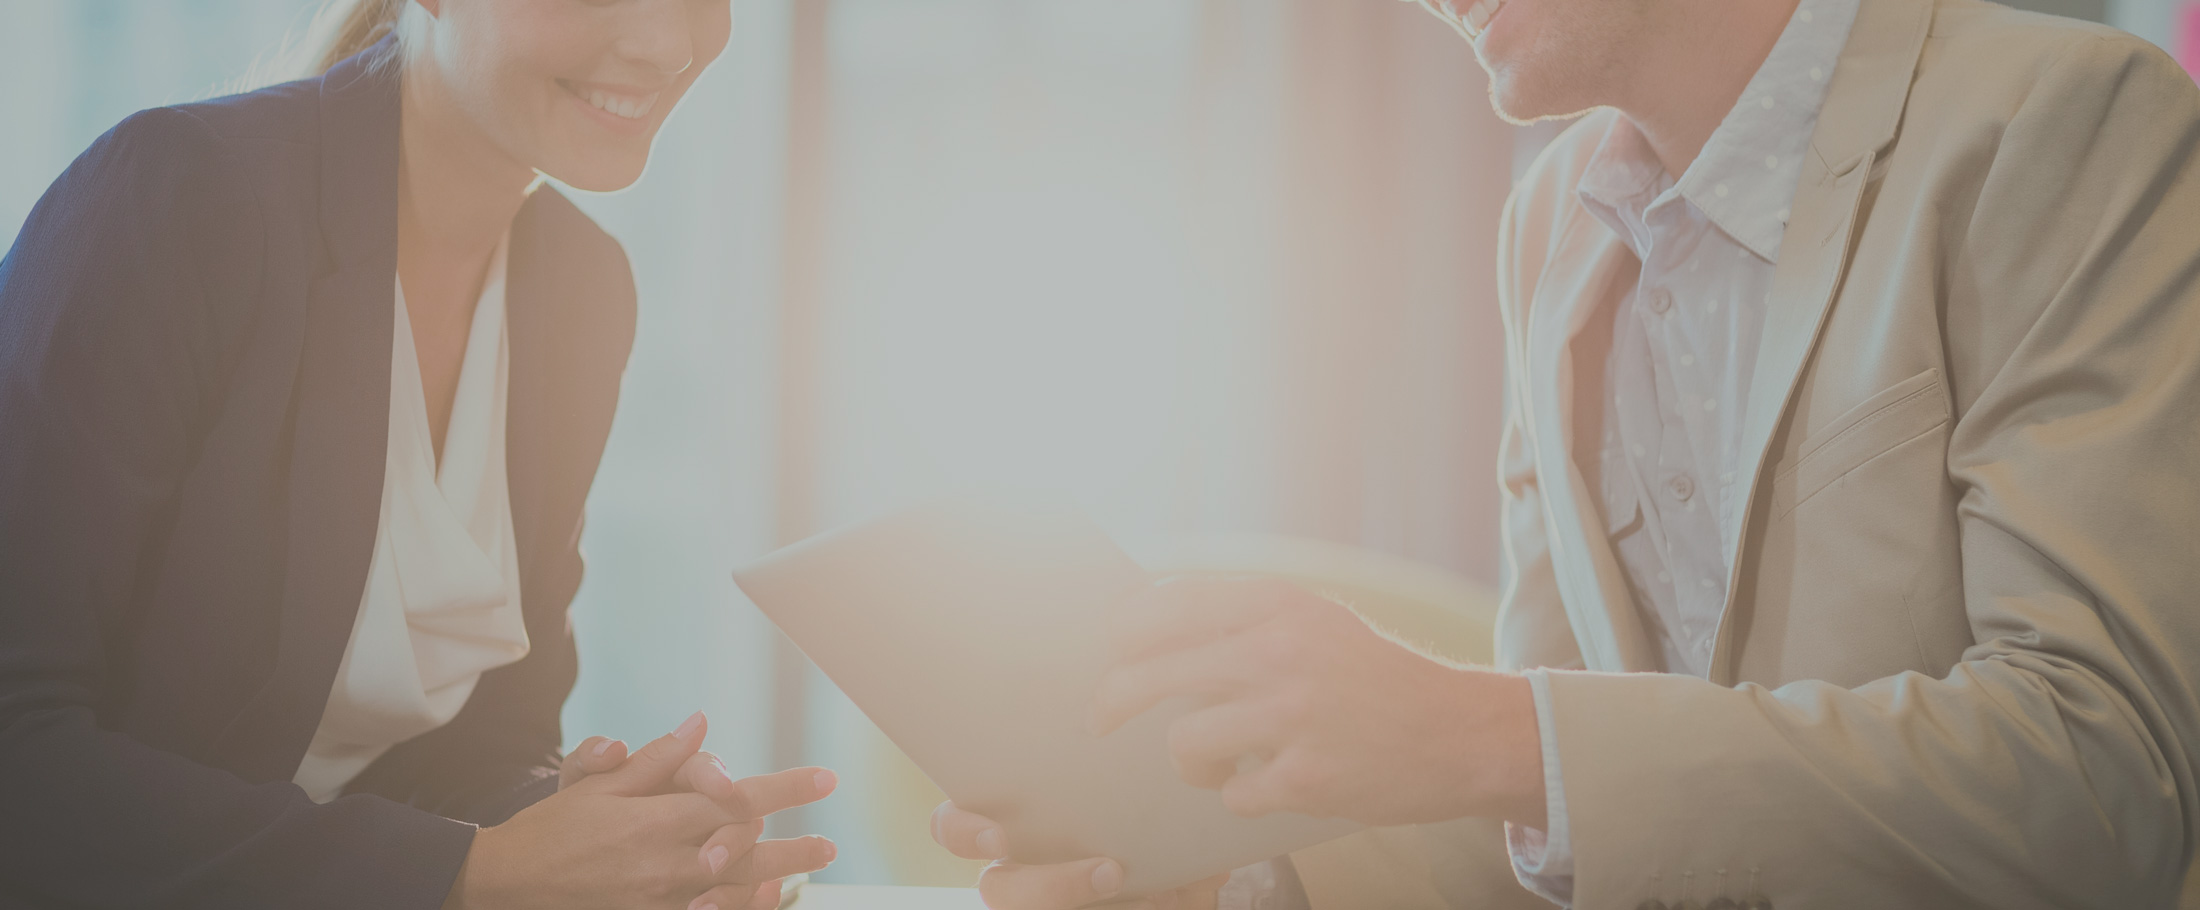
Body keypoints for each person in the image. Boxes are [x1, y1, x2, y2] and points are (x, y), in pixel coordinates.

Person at [931, 0, 2200, 904]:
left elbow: (2106, 778)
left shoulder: (2067, 119)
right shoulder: (1548, 231)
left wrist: (1490, 735)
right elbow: (1563, 832)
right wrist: (1228, 877)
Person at [0, 1, 837, 908]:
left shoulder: (578, 289)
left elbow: (472, 751)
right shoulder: (182, 196)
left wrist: (614, 837)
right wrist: (478, 872)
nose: (668, 44)